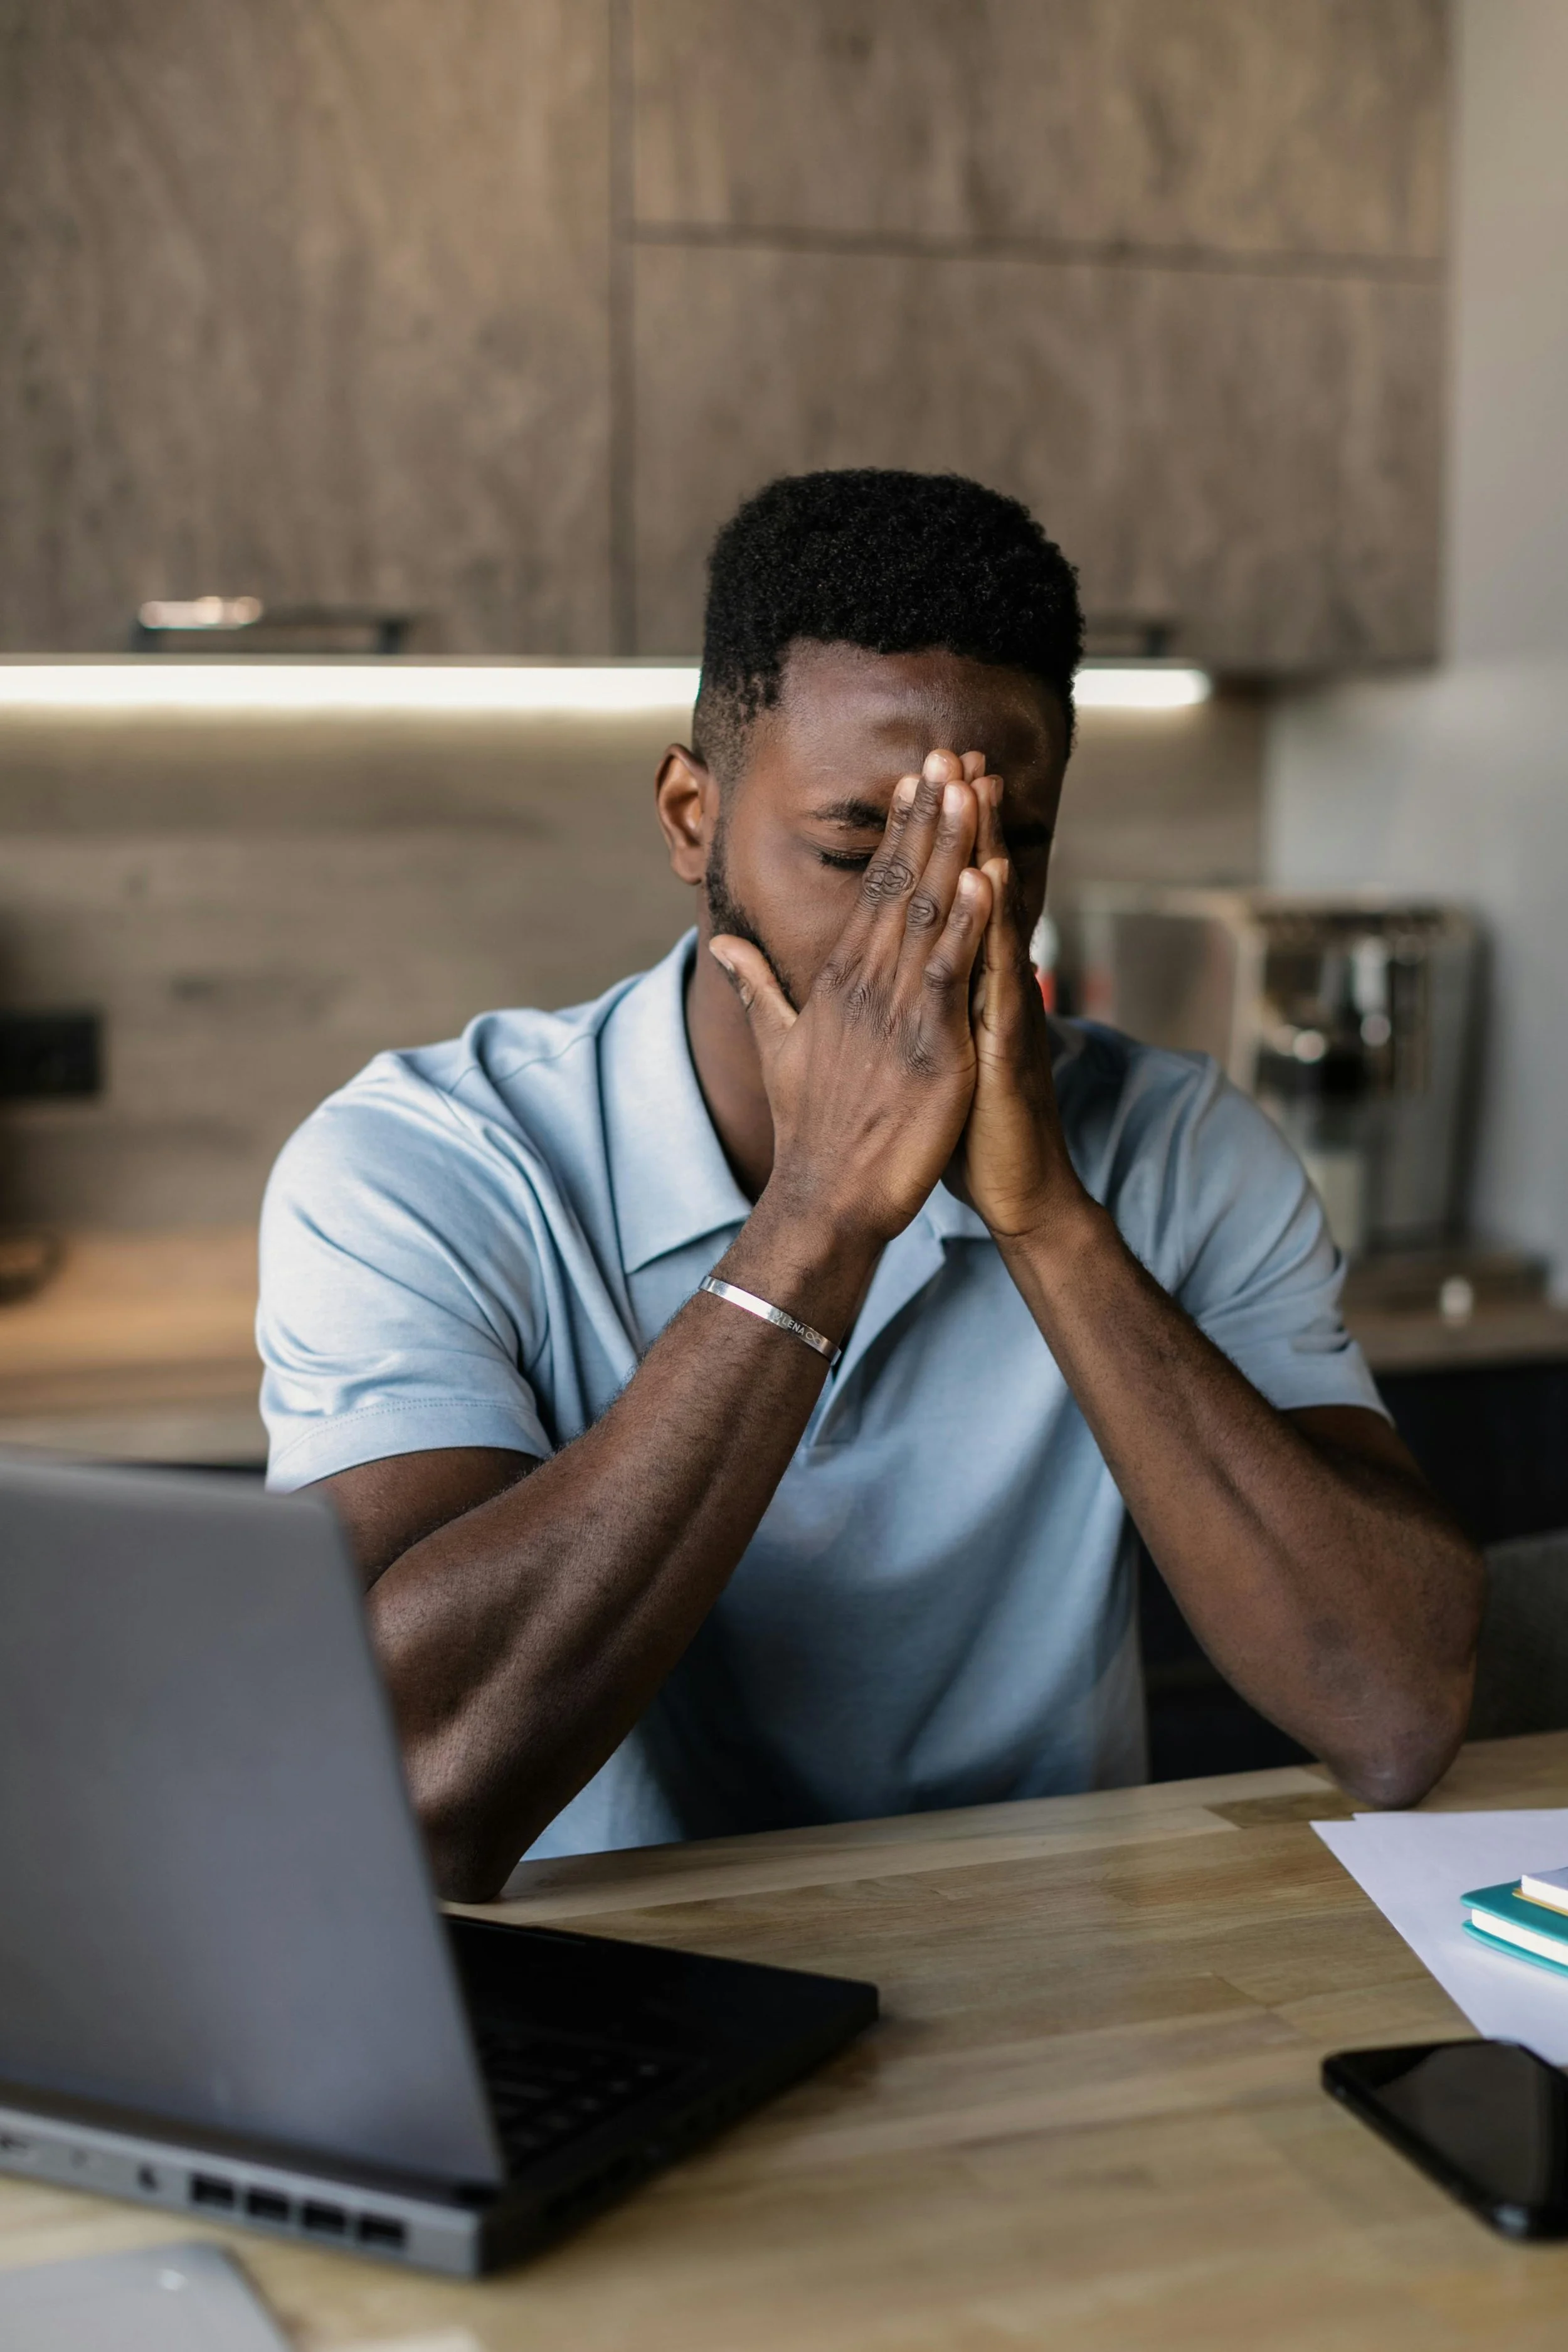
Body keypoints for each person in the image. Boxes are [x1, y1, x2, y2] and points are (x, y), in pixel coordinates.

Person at [258, 469, 1483, 1902]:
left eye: (1000, 845)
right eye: (857, 847)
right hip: (605, 2008)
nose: (936, 914)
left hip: (1044, 1992)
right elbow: (410, 1789)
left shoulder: (1179, 1147)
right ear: (687, 816)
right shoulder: (421, 1165)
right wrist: (816, 1222)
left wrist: (1050, 1225)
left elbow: (1393, 1717)